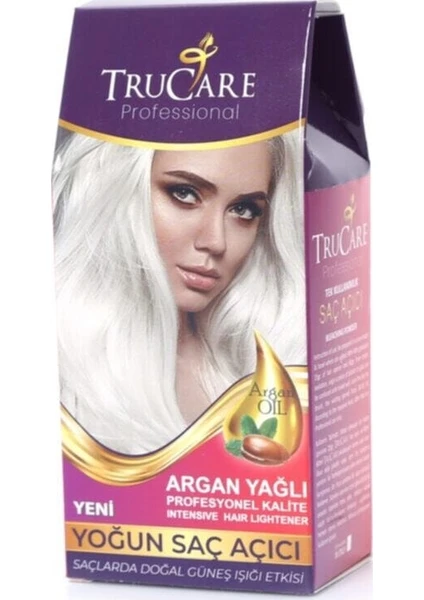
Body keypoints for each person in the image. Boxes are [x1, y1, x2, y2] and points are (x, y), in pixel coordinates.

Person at [52, 127, 306, 455]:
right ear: (115, 185)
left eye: (244, 210)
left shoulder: (257, 366)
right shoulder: (59, 363)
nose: (216, 241)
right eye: (185, 193)